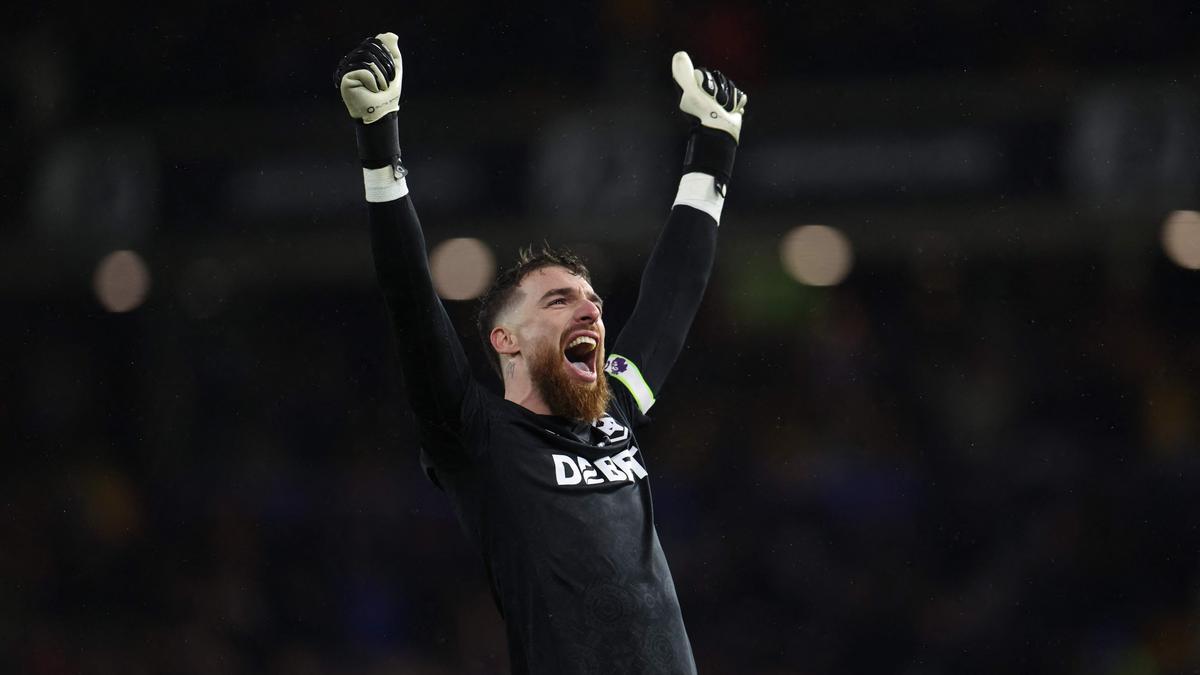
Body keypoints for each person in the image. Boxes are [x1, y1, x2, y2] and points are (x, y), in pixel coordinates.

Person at [335, 32, 747, 674]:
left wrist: (714, 145)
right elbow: (411, 301)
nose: (592, 311)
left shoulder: (614, 412)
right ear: (505, 340)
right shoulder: (477, 435)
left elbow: (669, 302)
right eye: (559, 301)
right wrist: (379, 142)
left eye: (593, 301)